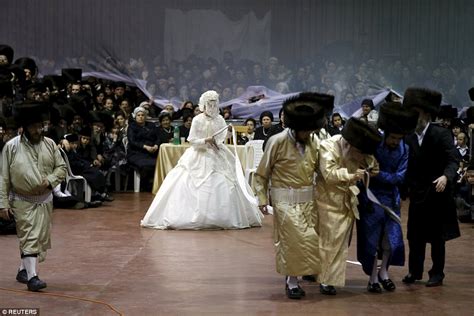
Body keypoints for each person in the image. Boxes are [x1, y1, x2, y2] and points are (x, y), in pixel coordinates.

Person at [141, 90, 262, 230]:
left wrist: (227, 132)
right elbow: (192, 140)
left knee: (227, 180)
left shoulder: (220, 118)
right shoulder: (198, 119)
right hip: (199, 153)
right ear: (204, 104)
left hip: (217, 152)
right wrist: (205, 140)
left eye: (214, 104)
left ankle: (222, 216)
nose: (212, 107)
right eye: (209, 104)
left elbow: (222, 137)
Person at [252, 92, 327, 299]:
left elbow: (323, 171)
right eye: (306, 131)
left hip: (308, 200)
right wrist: (262, 199)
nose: (308, 134)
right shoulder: (276, 142)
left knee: (310, 239)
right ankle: (292, 281)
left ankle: (302, 275)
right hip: (284, 200)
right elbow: (261, 174)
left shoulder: (315, 142)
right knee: (292, 240)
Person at [0, 102, 67, 291]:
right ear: (25, 127)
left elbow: (61, 168)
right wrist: (2, 203)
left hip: (45, 200)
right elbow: (3, 177)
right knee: (29, 236)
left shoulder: (50, 144)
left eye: (41, 125)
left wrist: (50, 180)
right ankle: (32, 278)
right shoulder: (11, 147)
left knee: (40, 239)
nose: (39, 129)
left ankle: (23, 270)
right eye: (35, 126)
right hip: (21, 200)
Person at [356, 102, 419, 293]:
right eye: (392, 138)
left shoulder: (405, 149)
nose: (395, 142)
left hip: (392, 199)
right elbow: (364, 170)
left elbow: (401, 177)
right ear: (386, 133)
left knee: (391, 240)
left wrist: (378, 175)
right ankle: (373, 279)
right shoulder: (373, 144)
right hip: (370, 199)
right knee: (372, 241)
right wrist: (372, 176)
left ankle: (384, 272)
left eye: (399, 138)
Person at [402, 87, 460, 287]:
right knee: (415, 236)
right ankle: (414, 272)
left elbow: (454, 159)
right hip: (417, 194)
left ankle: (437, 273)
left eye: (416, 113)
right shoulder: (408, 136)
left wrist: (446, 176)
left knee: (437, 238)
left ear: (426, 114)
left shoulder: (441, 133)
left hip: (437, 192)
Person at [316, 118, 381, 295]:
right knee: (330, 240)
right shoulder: (328, 146)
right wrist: (351, 175)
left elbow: (372, 164)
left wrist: (370, 170)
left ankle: (326, 276)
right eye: (359, 152)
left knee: (341, 241)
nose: (360, 156)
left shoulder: (361, 148)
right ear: (350, 144)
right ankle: (326, 279)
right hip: (327, 199)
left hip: (348, 199)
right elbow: (328, 174)